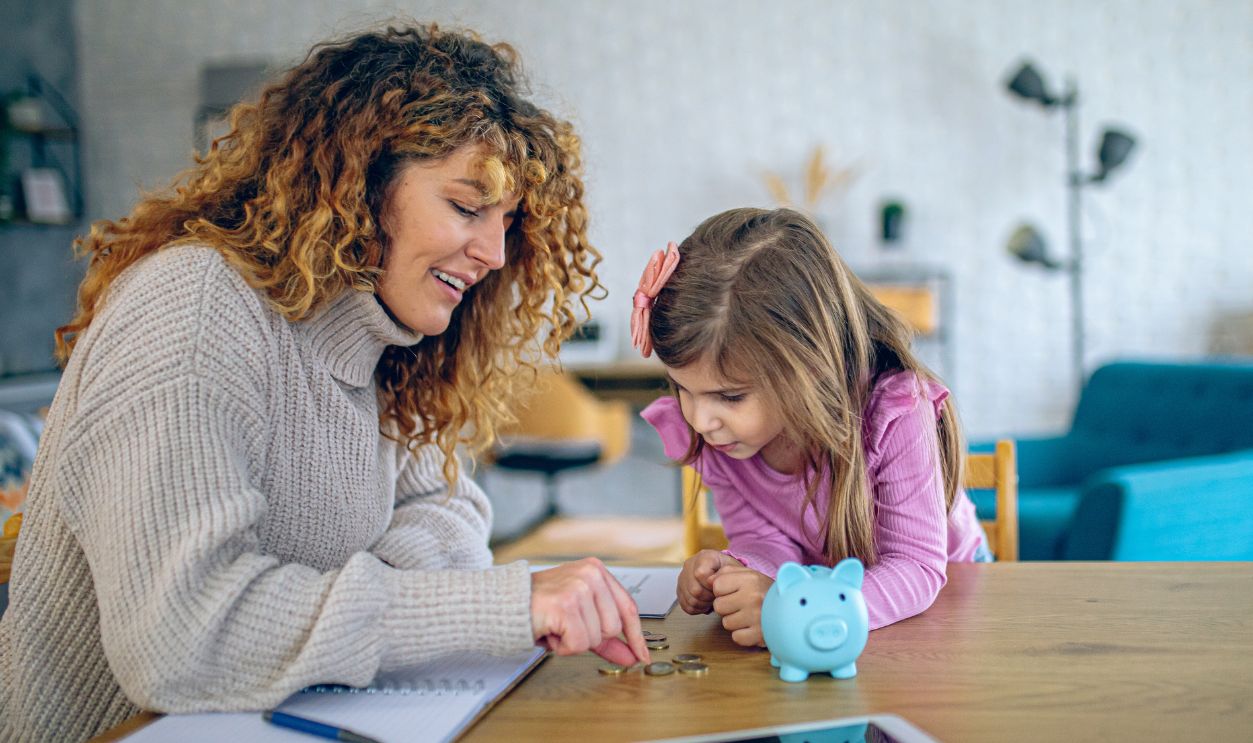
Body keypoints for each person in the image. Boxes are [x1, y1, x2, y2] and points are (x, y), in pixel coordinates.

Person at [0, 23, 649, 743]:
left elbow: (455, 515)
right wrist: (491, 607)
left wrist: (331, 610)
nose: (494, 253)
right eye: (467, 207)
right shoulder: (193, 308)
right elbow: (183, 637)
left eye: (506, 222)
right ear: (359, 184)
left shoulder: (383, 338)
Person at [633, 208, 990, 647]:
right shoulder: (726, 439)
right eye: (684, 390)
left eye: (730, 396)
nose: (700, 421)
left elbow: (914, 569)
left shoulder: (895, 411)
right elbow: (764, 539)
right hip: (835, 613)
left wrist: (796, 608)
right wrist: (740, 572)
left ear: (807, 368)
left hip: (944, 603)